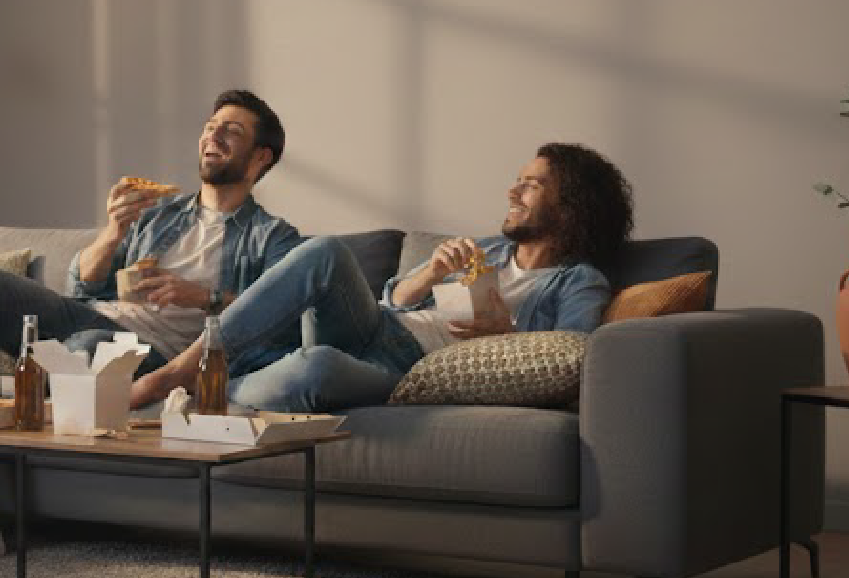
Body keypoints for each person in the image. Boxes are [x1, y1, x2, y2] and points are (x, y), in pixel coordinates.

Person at [0, 90, 302, 569]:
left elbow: (280, 317)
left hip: (160, 356)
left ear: (259, 157)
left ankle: (55, 381)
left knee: (86, 348)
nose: (213, 135)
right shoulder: (159, 214)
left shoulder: (273, 237)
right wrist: (111, 233)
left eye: (231, 130)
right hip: (99, 319)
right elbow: (83, 288)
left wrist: (202, 296)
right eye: (211, 126)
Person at [129, 142, 634, 413]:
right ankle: (180, 373)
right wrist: (431, 272)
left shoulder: (578, 281)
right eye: (518, 180)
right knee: (325, 251)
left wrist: (508, 334)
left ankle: (211, 392)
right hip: (376, 327)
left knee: (318, 368)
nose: (512, 191)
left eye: (531, 184)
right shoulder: (485, 250)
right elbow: (392, 297)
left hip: (407, 368)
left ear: (571, 205)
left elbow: (576, 355)